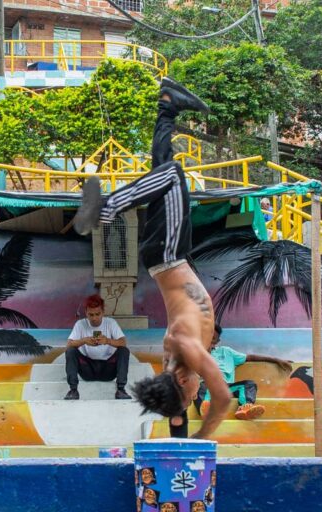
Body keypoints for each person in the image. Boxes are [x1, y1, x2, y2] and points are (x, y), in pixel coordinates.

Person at [73, 77, 232, 439]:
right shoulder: (177, 368)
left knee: (173, 176)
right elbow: (178, 412)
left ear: (178, 380)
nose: (196, 397)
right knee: (163, 168)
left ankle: (107, 208)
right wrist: (182, 439)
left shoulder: (185, 351)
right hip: (171, 256)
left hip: (169, 253)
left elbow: (222, 401)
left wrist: (202, 440)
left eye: (191, 396)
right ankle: (167, 105)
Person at [196, 324, 292, 420]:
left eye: (212, 338)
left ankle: (245, 408)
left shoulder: (226, 352)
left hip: (226, 388)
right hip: (208, 387)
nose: (208, 339)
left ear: (217, 341)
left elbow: (250, 357)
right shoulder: (195, 353)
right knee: (202, 386)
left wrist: (276, 360)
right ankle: (205, 410)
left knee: (249, 384)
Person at [65, 294, 131, 400]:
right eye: (91, 315)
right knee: (71, 351)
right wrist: (84, 341)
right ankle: (73, 390)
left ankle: (121, 390)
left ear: (103, 312)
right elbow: (68, 345)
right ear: (86, 312)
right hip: (87, 369)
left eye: (97, 314)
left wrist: (107, 341)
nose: (94, 318)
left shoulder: (111, 323)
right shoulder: (80, 324)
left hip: (108, 368)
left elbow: (123, 342)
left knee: (124, 351)